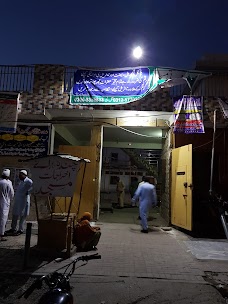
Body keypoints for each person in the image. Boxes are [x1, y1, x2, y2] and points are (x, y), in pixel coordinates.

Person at [6, 170, 33, 236]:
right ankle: (13, 228)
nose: (19, 176)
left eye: (21, 174)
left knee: (22, 216)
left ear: (24, 175)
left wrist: (28, 192)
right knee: (15, 214)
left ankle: (20, 230)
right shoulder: (20, 181)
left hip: (24, 201)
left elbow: (32, 188)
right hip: (18, 201)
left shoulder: (29, 181)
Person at [0, 169, 14, 241]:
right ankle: (1, 235)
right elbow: (11, 194)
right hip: (5, 203)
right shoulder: (8, 183)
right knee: (3, 219)